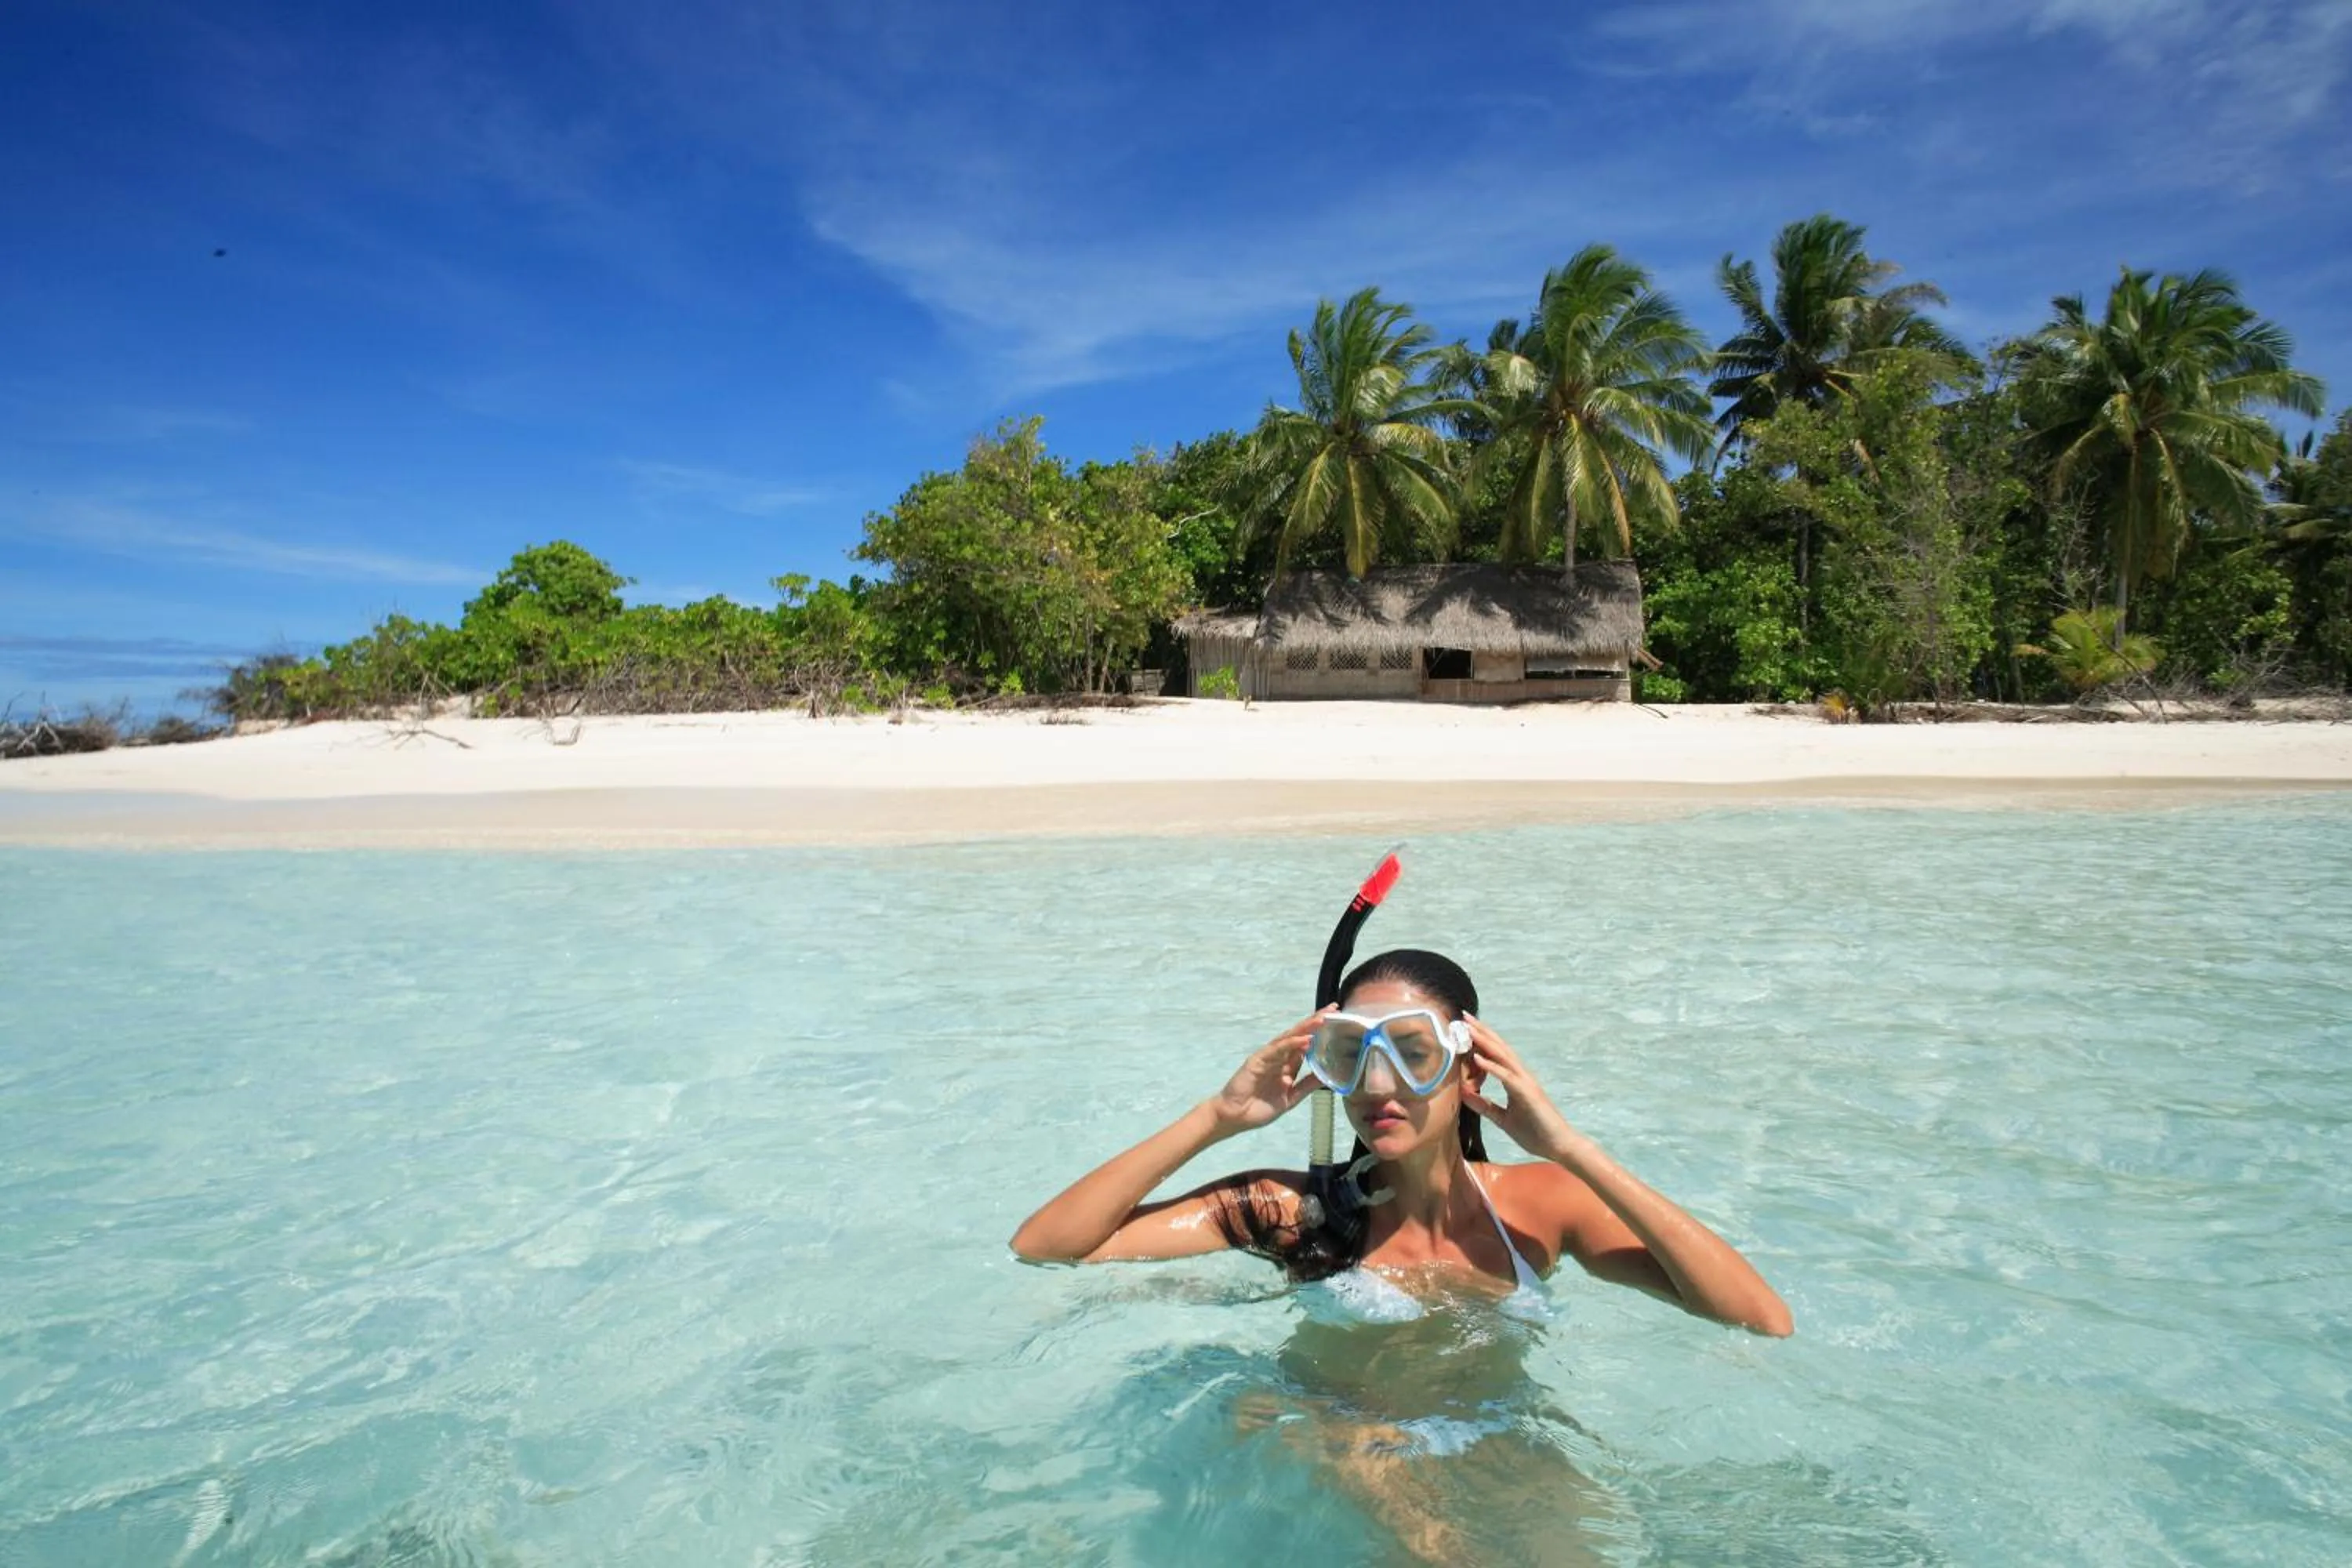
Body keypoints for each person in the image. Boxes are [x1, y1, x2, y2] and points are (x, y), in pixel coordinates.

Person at [1011, 948, 1792, 1338]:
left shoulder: (1538, 1208)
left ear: (1468, 1062)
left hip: (1500, 1464)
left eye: (1413, 1054)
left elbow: (1758, 1317)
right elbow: (1046, 1246)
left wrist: (1570, 1147)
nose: (1378, 1086)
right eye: (1351, 1055)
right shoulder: (1297, 1210)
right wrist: (1218, 1114)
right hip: (1338, 1463)